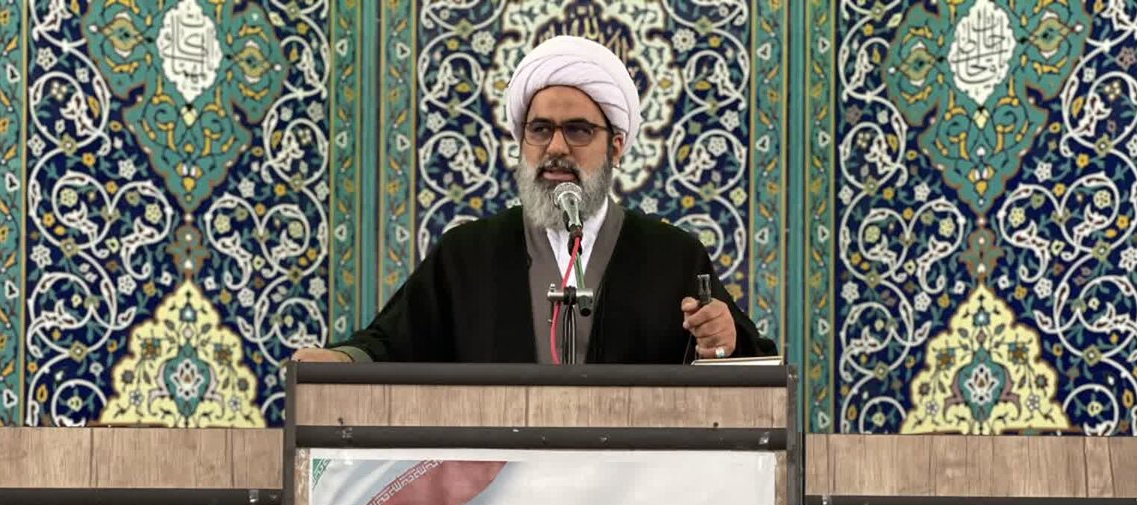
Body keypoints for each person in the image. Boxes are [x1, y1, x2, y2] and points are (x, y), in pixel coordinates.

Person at [295, 35, 776, 364]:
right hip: (499, 483)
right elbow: (391, 345)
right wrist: (340, 361)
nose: (556, 147)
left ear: (616, 146)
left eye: (578, 130)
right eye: (540, 129)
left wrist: (726, 339)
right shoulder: (468, 254)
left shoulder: (672, 256)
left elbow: (748, 363)